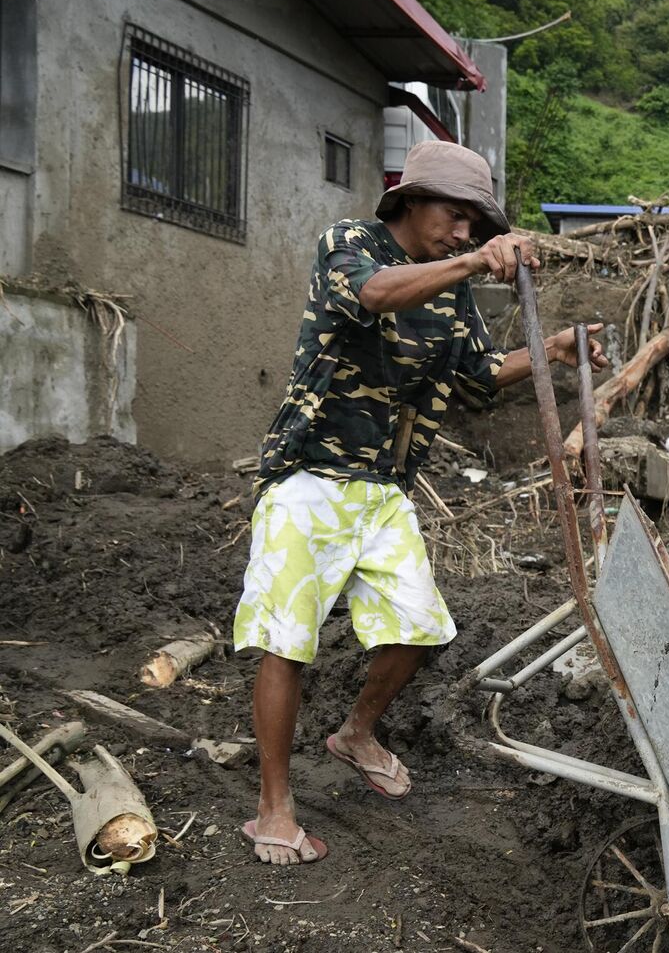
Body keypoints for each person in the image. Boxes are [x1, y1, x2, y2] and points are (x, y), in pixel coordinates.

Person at [233, 140, 608, 865]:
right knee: (286, 641)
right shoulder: (350, 244)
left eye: (476, 223)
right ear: (411, 200)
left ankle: (355, 733)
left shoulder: (453, 289)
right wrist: (470, 263)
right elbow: (373, 294)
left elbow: (476, 375)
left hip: (382, 486)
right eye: (456, 215)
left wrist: (553, 349)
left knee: (418, 626)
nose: (466, 232)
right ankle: (274, 808)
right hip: (309, 476)